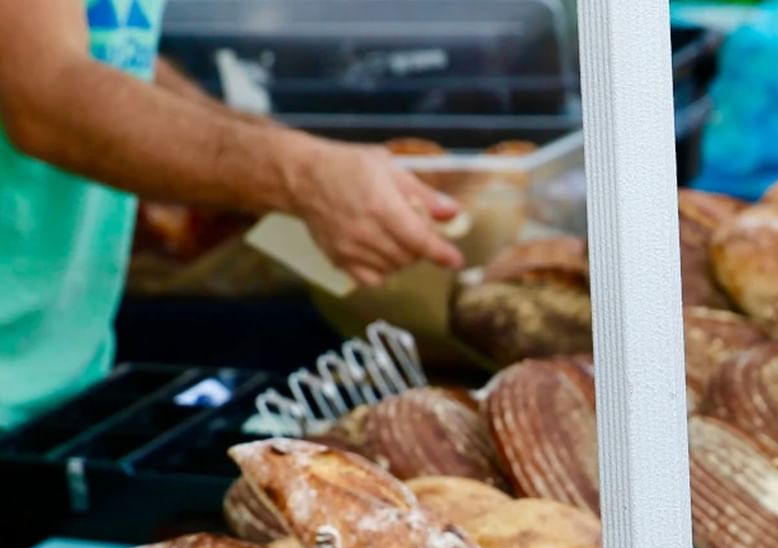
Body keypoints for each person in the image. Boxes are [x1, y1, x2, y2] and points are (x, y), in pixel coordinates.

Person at [0, 0, 465, 430]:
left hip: (59, 376)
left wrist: (272, 148)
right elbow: (46, 91)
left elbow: (109, 45)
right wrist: (298, 173)